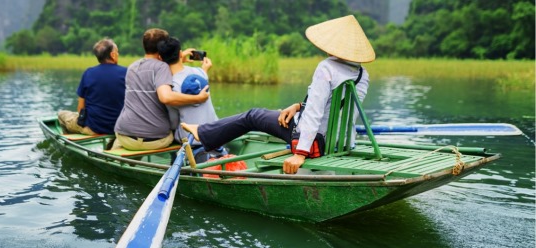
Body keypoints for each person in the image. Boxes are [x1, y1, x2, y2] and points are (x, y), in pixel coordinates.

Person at [181, 15, 375, 174]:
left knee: (253, 116)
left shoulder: (326, 68)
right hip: (341, 141)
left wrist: (300, 153)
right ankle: (206, 132)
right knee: (277, 114)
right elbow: (337, 107)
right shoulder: (361, 73)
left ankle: (203, 133)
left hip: (316, 141)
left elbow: (315, 113)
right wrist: (298, 106)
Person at [112, 28, 210, 151]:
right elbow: (166, 97)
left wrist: (179, 57)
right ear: (162, 48)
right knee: (176, 131)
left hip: (124, 136)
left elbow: (152, 71)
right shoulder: (162, 67)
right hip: (154, 140)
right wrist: (198, 98)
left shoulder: (132, 67)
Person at [58, 38, 127, 135]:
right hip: (120, 128)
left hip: (93, 129)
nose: (118, 54)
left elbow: (80, 108)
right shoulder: (127, 73)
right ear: (112, 55)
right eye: (117, 52)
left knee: (61, 115)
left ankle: (71, 142)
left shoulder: (88, 73)